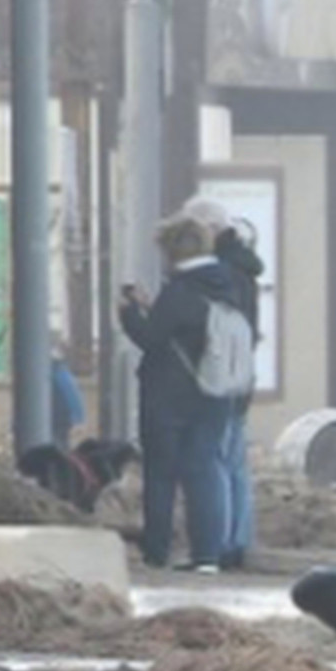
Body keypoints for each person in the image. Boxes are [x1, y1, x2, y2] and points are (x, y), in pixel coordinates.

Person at [115, 211, 237, 574]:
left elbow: (153, 340)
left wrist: (129, 315)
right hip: (215, 393)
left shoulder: (179, 290)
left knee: (162, 474)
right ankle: (208, 556)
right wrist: (155, 308)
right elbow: (190, 329)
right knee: (204, 470)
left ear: (172, 252)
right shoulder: (226, 285)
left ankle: (157, 551)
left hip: (169, 396)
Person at [205, 218, 267, 567]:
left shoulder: (220, 275)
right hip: (242, 377)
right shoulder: (247, 274)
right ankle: (239, 537)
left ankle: (222, 540)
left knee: (218, 461)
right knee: (236, 462)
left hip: (220, 378)